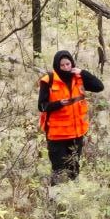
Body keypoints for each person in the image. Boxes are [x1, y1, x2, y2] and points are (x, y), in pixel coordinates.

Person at [38, 50, 104, 185]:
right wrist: (58, 104)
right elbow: (42, 106)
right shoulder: (48, 81)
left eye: (68, 64)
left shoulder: (78, 78)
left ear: (72, 63)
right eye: (62, 65)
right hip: (57, 136)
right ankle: (55, 199)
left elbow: (99, 87)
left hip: (76, 134)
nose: (66, 67)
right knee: (58, 170)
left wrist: (83, 72)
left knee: (74, 168)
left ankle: (73, 197)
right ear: (57, 66)